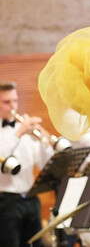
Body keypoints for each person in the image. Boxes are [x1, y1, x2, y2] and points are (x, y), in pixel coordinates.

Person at [0, 81, 54, 247]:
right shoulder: (18, 131)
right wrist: (19, 133)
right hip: (6, 202)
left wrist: (44, 141)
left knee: (35, 244)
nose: (13, 106)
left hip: (31, 198)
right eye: (6, 102)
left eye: (15, 100)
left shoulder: (25, 129)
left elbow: (45, 163)